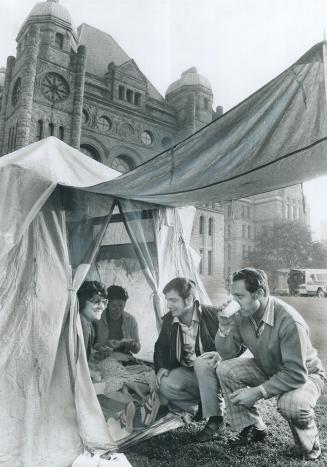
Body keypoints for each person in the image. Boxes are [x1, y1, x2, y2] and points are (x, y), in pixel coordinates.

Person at [215, 267, 325, 460]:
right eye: (233, 296)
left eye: (240, 296)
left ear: (260, 293)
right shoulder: (242, 315)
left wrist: (258, 391)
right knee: (225, 369)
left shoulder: (289, 320)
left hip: (305, 375)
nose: (235, 302)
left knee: (290, 404)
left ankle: (311, 446)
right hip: (268, 367)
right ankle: (255, 428)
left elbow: (296, 373)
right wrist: (224, 330)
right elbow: (228, 354)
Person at [153, 277, 224, 442]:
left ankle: (216, 419)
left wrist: (222, 355)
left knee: (202, 362)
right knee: (164, 384)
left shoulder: (214, 315)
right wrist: (161, 367)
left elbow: (240, 341)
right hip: (191, 373)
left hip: (217, 373)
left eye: (173, 300)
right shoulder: (169, 321)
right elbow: (161, 347)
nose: (169, 305)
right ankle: (201, 407)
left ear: (189, 299)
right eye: (167, 300)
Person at [96, 285, 140, 355]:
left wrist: (133, 345)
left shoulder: (131, 320)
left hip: (124, 357)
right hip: (102, 356)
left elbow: (137, 349)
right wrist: (105, 344)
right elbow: (90, 345)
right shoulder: (98, 318)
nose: (118, 310)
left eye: (121, 306)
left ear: (125, 304)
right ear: (107, 304)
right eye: (113, 306)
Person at [77, 280, 108, 360]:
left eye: (104, 302)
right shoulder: (81, 323)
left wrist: (95, 355)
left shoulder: (90, 325)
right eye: (96, 301)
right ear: (81, 301)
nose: (102, 307)